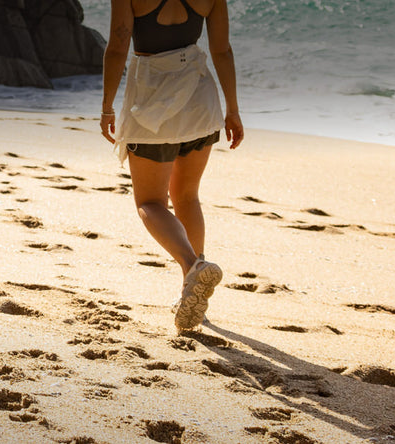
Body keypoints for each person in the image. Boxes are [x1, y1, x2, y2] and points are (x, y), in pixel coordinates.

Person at [99, 0, 244, 333]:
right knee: (187, 195)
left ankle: (194, 265)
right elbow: (222, 51)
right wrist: (232, 109)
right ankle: (190, 287)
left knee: (149, 202)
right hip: (200, 98)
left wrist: (107, 106)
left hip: (151, 101)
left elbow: (117, 48)